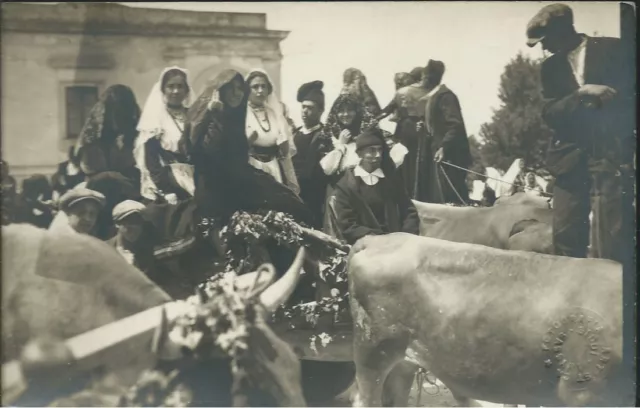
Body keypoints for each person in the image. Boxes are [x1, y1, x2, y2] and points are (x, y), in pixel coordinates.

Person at [527, 3, 634, 262]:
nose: (544, 48)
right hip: (568, 160)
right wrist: (581, 94)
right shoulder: (549, 67)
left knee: (613, 237)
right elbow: (549, 112)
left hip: (609, 155)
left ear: (563, 30)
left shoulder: (614, 49)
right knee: (564, 236)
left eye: (546, 40)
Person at [181, 69, 313, 229]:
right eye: (231, 88)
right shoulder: (210, 117)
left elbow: (239, 158)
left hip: (238, 181)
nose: (237, 93)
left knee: (290, 202)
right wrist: (215, 115)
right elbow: (211, 154)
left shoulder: (235, 117)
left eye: (240, 89)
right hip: (214, 187)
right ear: (220, 91)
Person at [333, 128, 419, 245]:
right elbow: (348, 226)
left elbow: (409, 211)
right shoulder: (346, 186)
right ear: (359, 153)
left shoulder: (391, 180)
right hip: (365, 247)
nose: (377, 155)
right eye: (371, 151)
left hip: (398, 244)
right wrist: (380, 239)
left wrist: (406, 236)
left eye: (380, 150)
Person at [135, 66, 194, 204]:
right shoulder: (156, 119)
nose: (175, 91)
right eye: (170, 86)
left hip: (196, 175)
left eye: (180, 86)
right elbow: (151, 160)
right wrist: (166, 190)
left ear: (186, 90)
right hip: (169, 178)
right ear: (163, 90)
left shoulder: (193, 115)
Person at [320, 93, 376, 237]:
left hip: (363, 193)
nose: (345, 114)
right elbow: (327, 169)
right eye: (341, 110)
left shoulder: (368, 133)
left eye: (349, 110)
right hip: (337, 194)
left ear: (357, 111)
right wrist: (341, 145)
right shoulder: (329, 135)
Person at [418, 59, 472, 204]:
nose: (421, 81)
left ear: (429, 78)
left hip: (450, 155)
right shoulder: (433, 97)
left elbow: (455, 125)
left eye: (423, 77)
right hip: (439, 154)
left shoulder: (446, 97)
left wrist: (443, 147)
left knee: (451, 195)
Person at [245, 68, 300, 194]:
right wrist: (247, 142)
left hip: (273, 167)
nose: (260, 91)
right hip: (251, 166)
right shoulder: (241, 114)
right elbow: (234, 148)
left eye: (264, 86)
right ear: (247, 90)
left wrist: (283, 146)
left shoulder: (274, 113)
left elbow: (284, 153)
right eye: (255, 87)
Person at [73, 85, 141, 187]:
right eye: (113, 110)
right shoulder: (91, 141)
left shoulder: (138, 137)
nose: (118, 116)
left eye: (124, 111)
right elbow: (88, 168)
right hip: (97, 190)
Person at [292, 80, 333, 229]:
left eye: (310, 108)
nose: (305, 111)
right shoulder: (294, 134)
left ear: (321, 111)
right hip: (292, 194)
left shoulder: (326, 136)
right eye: (303, 107)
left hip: (315, 197)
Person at [2, 160, 18, 225]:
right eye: (2, 169)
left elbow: (13, 193)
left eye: (6, 169)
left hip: (10, 206)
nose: (6, 171)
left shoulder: (11, 179)